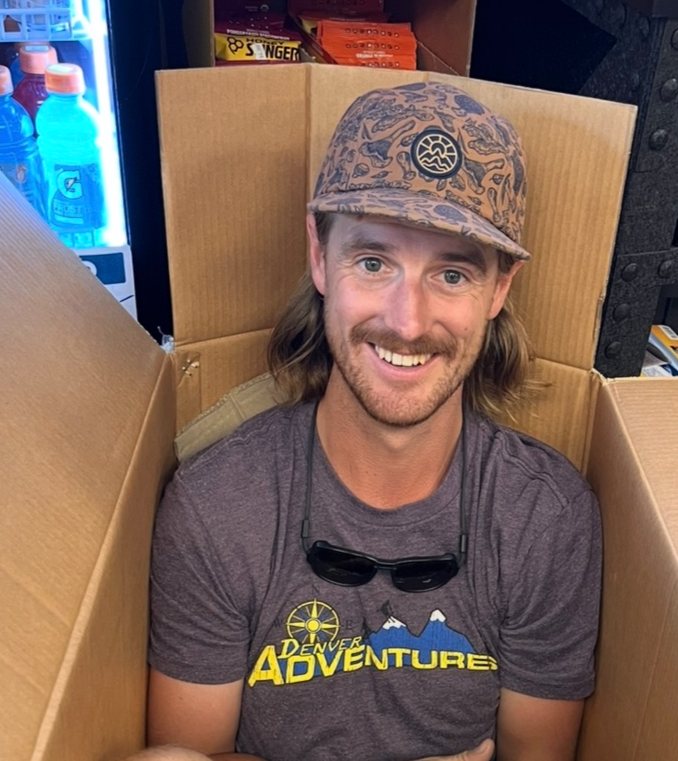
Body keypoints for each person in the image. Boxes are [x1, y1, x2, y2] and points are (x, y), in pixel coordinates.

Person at [138, 80, 602, 761]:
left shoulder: (545, 516)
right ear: (319, 254)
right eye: (374, 260)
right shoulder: (216, 506)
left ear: (500, 287)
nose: (406, 321)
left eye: (451, 274)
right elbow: (186, 753)